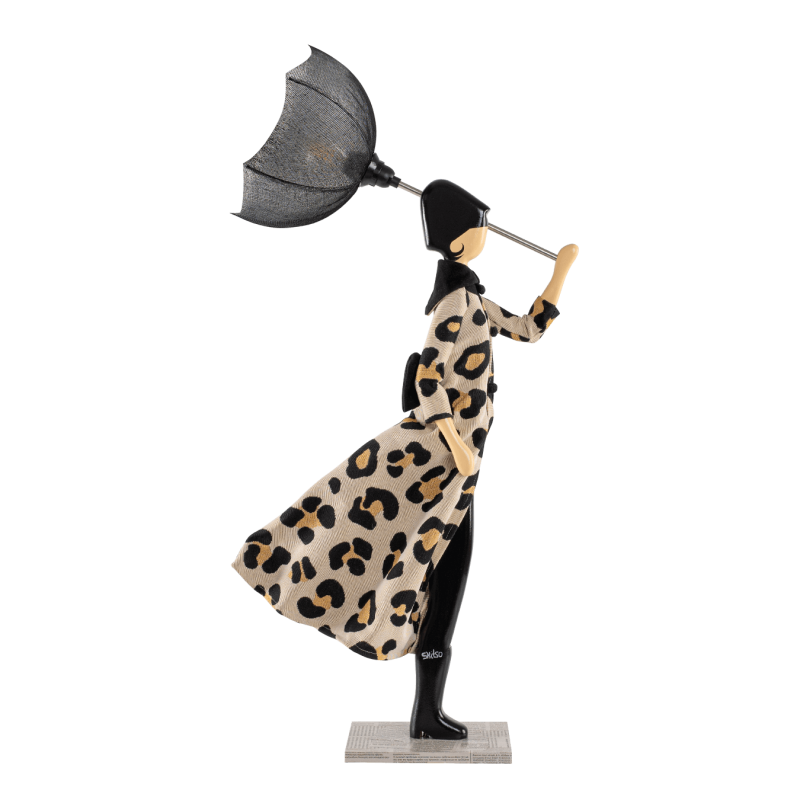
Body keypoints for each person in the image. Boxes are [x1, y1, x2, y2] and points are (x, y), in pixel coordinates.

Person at [229, 177, 578, 740]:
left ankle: (426, 711)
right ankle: (424, 711)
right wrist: (457, 443)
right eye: (480, 227)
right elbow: (428, 378)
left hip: (458, 469)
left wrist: (559, 273)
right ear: (458, 241)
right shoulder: (454, 305)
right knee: (443, 580)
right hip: (439, 463)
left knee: (445, 581)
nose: (487, 234)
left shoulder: (471, 298)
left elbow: (528, 330)